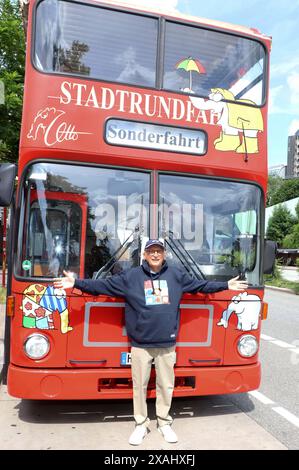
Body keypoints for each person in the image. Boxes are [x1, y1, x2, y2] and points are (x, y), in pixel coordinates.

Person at [53, 239, 248, 446]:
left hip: (167, 344)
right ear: (144, 255)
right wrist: (76, 283)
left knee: (166, 385)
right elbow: (101, 285)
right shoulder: (131, 277)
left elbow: (202, 286)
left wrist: (226, 285)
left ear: (164, 255)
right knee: (140, 386)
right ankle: (141, 424)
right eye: (151, 251)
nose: (155, 254)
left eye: (159, 251)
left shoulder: (176, 276)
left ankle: (164, 423)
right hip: (140, 345)